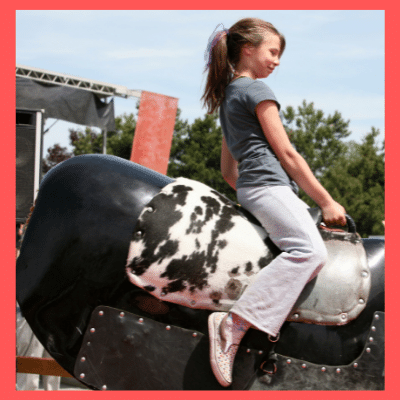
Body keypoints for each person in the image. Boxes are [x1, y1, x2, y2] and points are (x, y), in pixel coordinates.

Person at [202, 18, 347, 387]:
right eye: (273, 52)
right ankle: (232, 323)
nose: (277, 61)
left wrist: (248, 192)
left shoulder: (228, 96)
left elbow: (227, 170)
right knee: (309, 252)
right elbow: (288, 154)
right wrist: (327, 201)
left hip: (255, 188)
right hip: (269, 186)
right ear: (247, 49)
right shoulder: (255, 90)